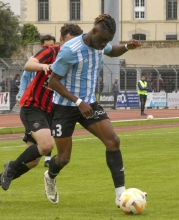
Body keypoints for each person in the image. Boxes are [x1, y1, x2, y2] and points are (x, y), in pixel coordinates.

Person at [0, 23, 83, 203]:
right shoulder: (51, 52)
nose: (72, 47)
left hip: (50, 112)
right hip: (33, 107)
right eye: (69, 42)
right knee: (46, 146)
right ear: (61, 41)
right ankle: (10, 167)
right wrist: (42, 66)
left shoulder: (76, 58)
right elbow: (28, 64)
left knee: (33, 160)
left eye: (76, 43)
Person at [47, 14, 141, 207]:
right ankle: (50, 177)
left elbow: (112, 51)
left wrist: (126, 47)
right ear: (95, 31)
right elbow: (53, 81)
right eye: (103, 39)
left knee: (113, 141)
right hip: (65, 106)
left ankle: (120, 196)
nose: (104, 44)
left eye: (107, 40)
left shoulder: (100, 43)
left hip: (89, 104)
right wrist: (78, 101)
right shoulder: (70, 50)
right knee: (63, 158)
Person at [18, 34, 56, 167]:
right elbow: (25, 76)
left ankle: (47, 159)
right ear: (42, 46)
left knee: (48, 131)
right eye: (47, 46)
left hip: (48, 102)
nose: (50, 48)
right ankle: (15, 166)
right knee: (39, 136)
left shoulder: (56, 59)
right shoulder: (35, 60)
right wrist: (22, 92)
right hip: (33, 101)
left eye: (52, 45)